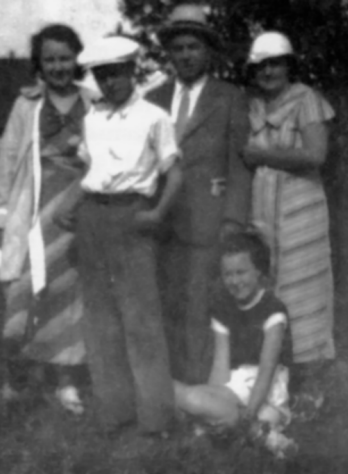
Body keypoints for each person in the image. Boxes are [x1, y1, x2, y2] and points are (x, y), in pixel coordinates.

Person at [76, 36, 182, 435]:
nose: (110, 84)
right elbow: (87, 172)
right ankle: (115, 412)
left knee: (141, 320)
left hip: (133, 215)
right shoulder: (92, 119)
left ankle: (156, 418)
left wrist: (156, 213)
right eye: (102, 77)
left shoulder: (154, 116)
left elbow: (175, 175)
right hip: (94, 217)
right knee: (101, 319)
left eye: (117, 74)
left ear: (131, 72)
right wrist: (76, 212)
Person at [0, 24, 97, 413]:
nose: (58, 66)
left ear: (77, 59)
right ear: (39, 63)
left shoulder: (94, 101)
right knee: (25, 291)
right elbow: (7, 160)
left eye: (65, 58)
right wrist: (2, 215)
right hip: (34, 207)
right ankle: (20, 379)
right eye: (50, 59)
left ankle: (67, 381)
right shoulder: (27, 105)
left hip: (78, 206)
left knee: (72, 293)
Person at [146, 4, 252, 385]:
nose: (186, 55)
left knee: (201, 307)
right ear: (169, 53)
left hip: (209, 221)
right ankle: (172, 390)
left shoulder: (229, 97)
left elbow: (239, 165)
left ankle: (202, 388)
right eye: (178, 48)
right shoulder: (153, 99)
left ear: (208, 50)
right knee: (166, 305)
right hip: (162, 222)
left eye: (194, 47)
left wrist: (233, 220)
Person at [242, 32, 336, 385]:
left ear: (288, 65)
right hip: (262, 208)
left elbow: (316, 154)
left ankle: (312, 382)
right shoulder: (251, 105)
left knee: (303, 290)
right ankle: (273, 377)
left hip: (299, 209)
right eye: (261, 65)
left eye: (275, 63)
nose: (268, 71)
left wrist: (263, 156)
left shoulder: (306, 99)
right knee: (267, 287)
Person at [174, 232, 295, 457]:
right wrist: (212, 397)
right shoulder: (223, 309)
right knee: (171, 389)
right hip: (236, 386)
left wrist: (246, 415)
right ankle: (251, 431)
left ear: (259, 271)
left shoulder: (273, 311)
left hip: (265, 392)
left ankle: (247, 426)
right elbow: (221, 367)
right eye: (228, 274)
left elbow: (266, 372)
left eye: (241, 272)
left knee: (190, 400)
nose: (235, 281)